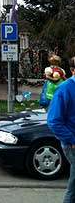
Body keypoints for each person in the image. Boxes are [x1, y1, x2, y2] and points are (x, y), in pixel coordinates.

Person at [47, 56, 75, 202]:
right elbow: (54, 121)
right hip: (72, 143)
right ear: (72, 70)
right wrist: (72, 140)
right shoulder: (64, 89)